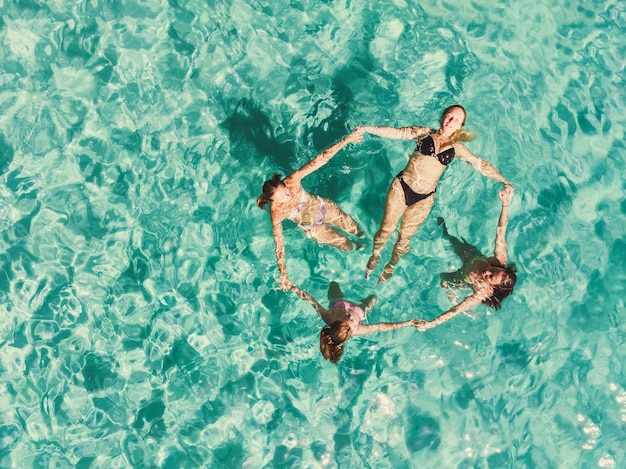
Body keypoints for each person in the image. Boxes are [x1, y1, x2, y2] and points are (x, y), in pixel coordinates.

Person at [354, 105, 513, 283]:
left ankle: (391, 265)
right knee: (385, 230)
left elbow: (482, 165)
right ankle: (375, 257)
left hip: (424, 200)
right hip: (401, 187)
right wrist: (367, 129)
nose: (451, 121)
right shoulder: (424, 133)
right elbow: (398, 133)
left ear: (461, 126)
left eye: (456, 120)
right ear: (443, 116)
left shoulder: (457, 148)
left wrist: (504, 181)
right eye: (449, 116)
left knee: (404, 239)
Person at [257, 131, 364, 290]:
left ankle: (363, 238)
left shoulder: (292, 181)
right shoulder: (277, 213)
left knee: (356, 230)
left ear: (283, 183)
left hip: (325, 208)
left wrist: (347, 139)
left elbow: (320, 160)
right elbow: (279, 244)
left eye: (286, 191)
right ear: (273, 201)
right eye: (282, 198)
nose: (288, 196)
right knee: (347, 246)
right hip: (314, 228)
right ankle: (360, 249)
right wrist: (284, 275)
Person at [415, 186, 516, 331]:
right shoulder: (498, 259)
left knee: (442, 278)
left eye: (490, 277)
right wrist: (505, 204)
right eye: (493, 270)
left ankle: (451, 293)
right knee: (450, 239)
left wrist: (430, 324)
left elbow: (455, 311)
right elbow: (501, 231)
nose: (487, 272)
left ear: (492, 286)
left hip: (462, 277)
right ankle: (442, 230)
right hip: (471, 256)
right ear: (499, 266)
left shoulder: (482, 291)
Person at [290, 281, 422, 363]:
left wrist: (293, 287)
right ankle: (370, 300)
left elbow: (311, 300)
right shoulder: (358, 329)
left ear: (336, 322)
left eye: (346, 317)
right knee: (373, 299)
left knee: (333, 283)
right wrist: (408, 322)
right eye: (351, 320)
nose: (349, 314)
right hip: (362, 307)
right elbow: (381, 327)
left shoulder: (329, 317)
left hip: (339, 299)